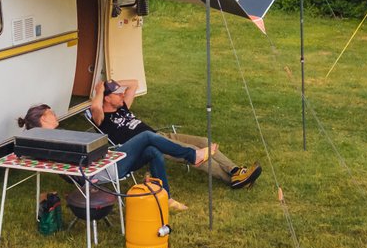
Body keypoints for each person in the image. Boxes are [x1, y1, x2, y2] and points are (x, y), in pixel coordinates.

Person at [17, 103, 215, 212]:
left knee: (153, 151)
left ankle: (166, 198)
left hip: (106, 163)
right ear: (44, 118)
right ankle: (192, 155)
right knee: (146, 137)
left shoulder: (48, 139)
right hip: (104, 172)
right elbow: (73, 172)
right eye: (51, 112)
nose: (54, 115)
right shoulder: (52, 140)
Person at [91, 79, 261, 189]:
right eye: (117, 93)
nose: (122, 94)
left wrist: (109, 84)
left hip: (160, 135)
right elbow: (96, 108)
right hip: (153, 144)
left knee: (203, 140)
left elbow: (134, 83)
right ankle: (232, 179)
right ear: (106, 98)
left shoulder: (121, 106)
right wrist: (100, 90)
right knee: (195, 153)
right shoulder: (103, 119)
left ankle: (235, 171)